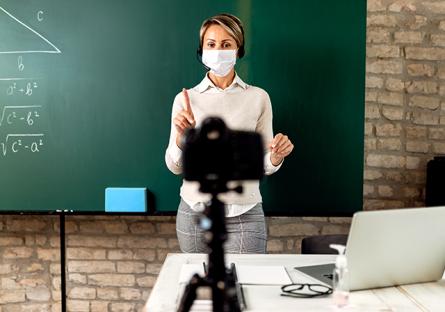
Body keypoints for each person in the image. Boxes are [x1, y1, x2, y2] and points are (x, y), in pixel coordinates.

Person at [165, 13, 293, 254]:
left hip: (245, 212)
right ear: (201, 50)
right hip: (195, 211)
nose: (218, 50)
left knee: (244, 284)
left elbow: (264, 164)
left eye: (226, 44)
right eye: (211, 44)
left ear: (238, 49)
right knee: (202, 288)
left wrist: (276, 156)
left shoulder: (258, 97)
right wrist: (182, 142)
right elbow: (175, 167)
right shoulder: (186, 100)